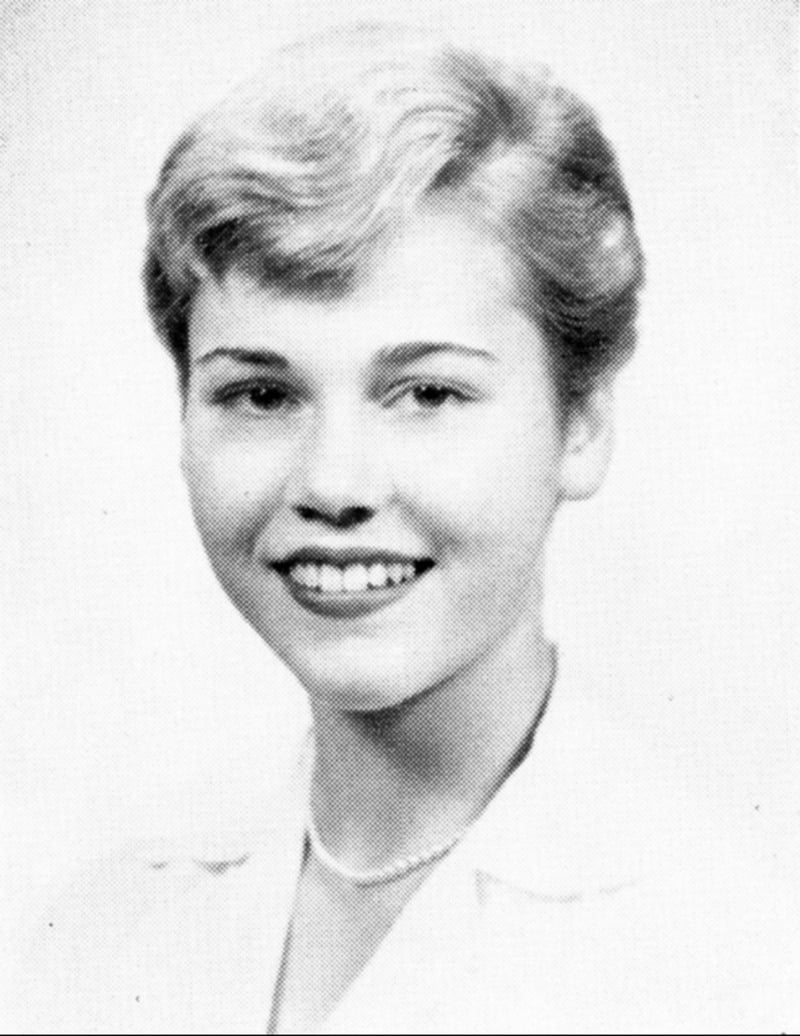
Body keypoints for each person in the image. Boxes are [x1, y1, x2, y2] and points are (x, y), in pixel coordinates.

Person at [18, 23, 793, 1036]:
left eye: (425, 391)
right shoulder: (101, 926)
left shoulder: (735, 958)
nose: (333, 482)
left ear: (582, 422)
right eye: (259, 394)